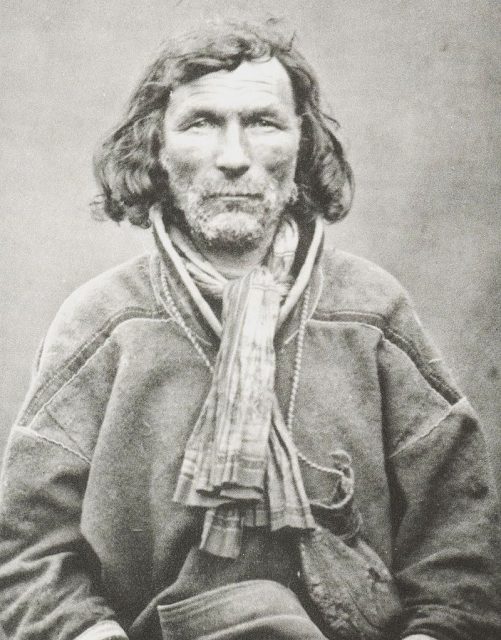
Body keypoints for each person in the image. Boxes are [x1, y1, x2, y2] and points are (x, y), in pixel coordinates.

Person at [0, 21, 500, 640]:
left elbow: (460, 548)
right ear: (156, 149)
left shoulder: (372, 312)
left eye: (263, 122)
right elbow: (28, 555)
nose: (233, 157)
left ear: (302, 146)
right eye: (201, 123)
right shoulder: (103, 322)